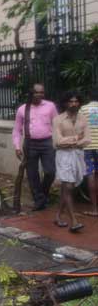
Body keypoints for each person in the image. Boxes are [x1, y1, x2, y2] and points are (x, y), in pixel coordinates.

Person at [13, 83, 59, 211]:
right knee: (32, 174)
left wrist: (57, 141)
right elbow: (16, 130)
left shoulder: (50, 106)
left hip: (47, 143)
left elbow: (57, 125)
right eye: (37, 92)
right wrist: (17, 146)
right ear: (31, 93)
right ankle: (39, 200)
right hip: (29, 144)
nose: (40, 95)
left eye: (42, 92)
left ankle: (42, 195)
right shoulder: (23, 109)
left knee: (50, 172)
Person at [52, 91, 90, 232]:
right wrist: (76, 139)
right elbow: (57, 142)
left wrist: (71, 141)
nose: (74, 104)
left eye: (76, 101)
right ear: (65, 103)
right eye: (71, 101)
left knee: (67, 187)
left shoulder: (83, 119)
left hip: (78, 155)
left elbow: (87, 139)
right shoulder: (58, 119)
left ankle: (57, 216)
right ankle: (74, 221)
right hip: (63, 156)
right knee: (68, 186)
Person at [83, 87, 98, 217]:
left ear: (88, 96)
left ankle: (95, 209)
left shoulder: (83, 110)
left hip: (88, 147)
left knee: (91, 175)